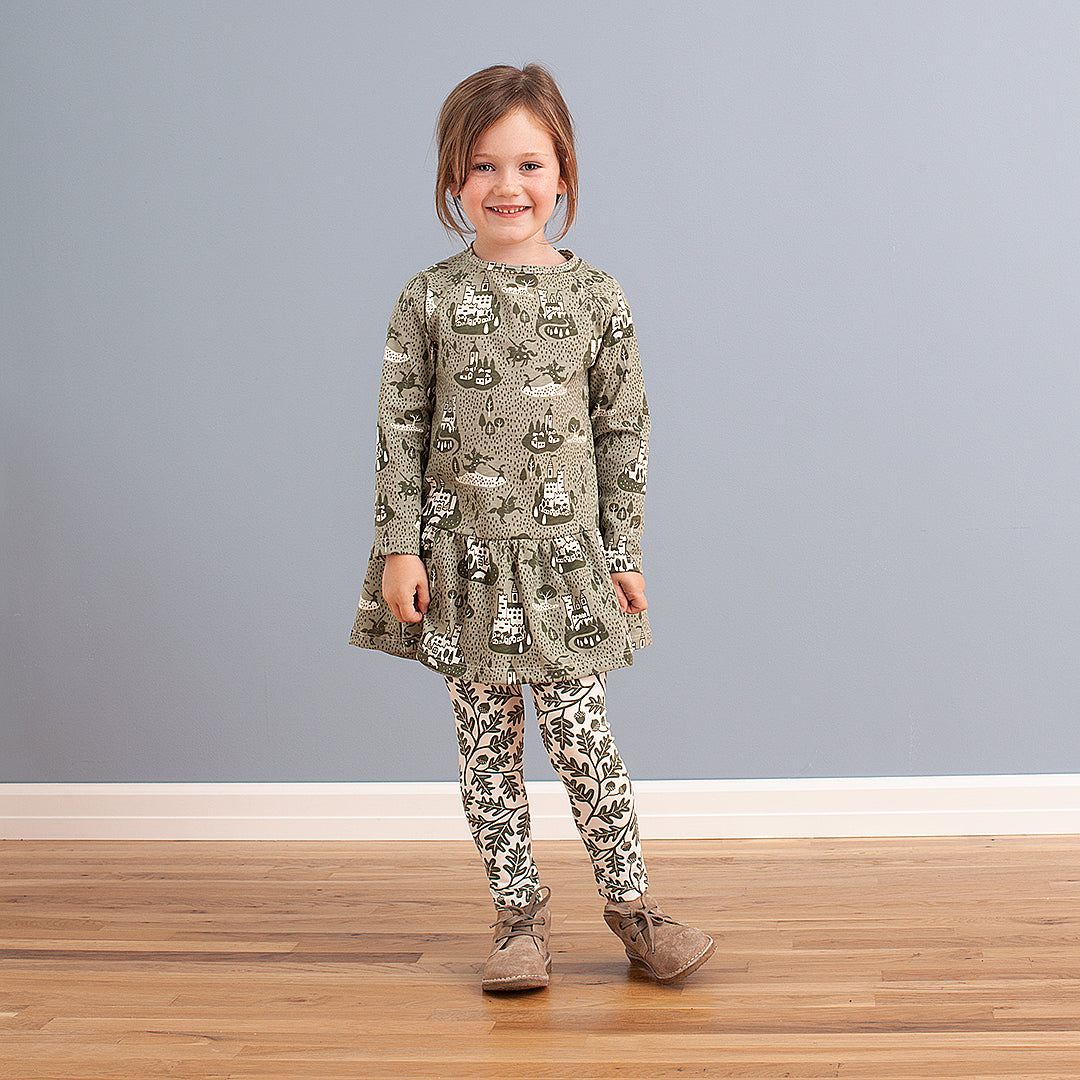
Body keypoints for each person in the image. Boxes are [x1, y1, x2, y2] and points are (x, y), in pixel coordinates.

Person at [350, 63, 714, 992]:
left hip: (565, 563)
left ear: (563, 176)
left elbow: (623, 429)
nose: (506, 186)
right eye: (482, 166)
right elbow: (399, 426)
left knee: (585, 740)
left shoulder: (598, 299)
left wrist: (623, 552)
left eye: (528, 165)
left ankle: (635, 913)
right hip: (463, 563)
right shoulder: (429, 298)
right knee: (488, 751)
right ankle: (518, 922)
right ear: (453, 178)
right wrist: (399, 545)